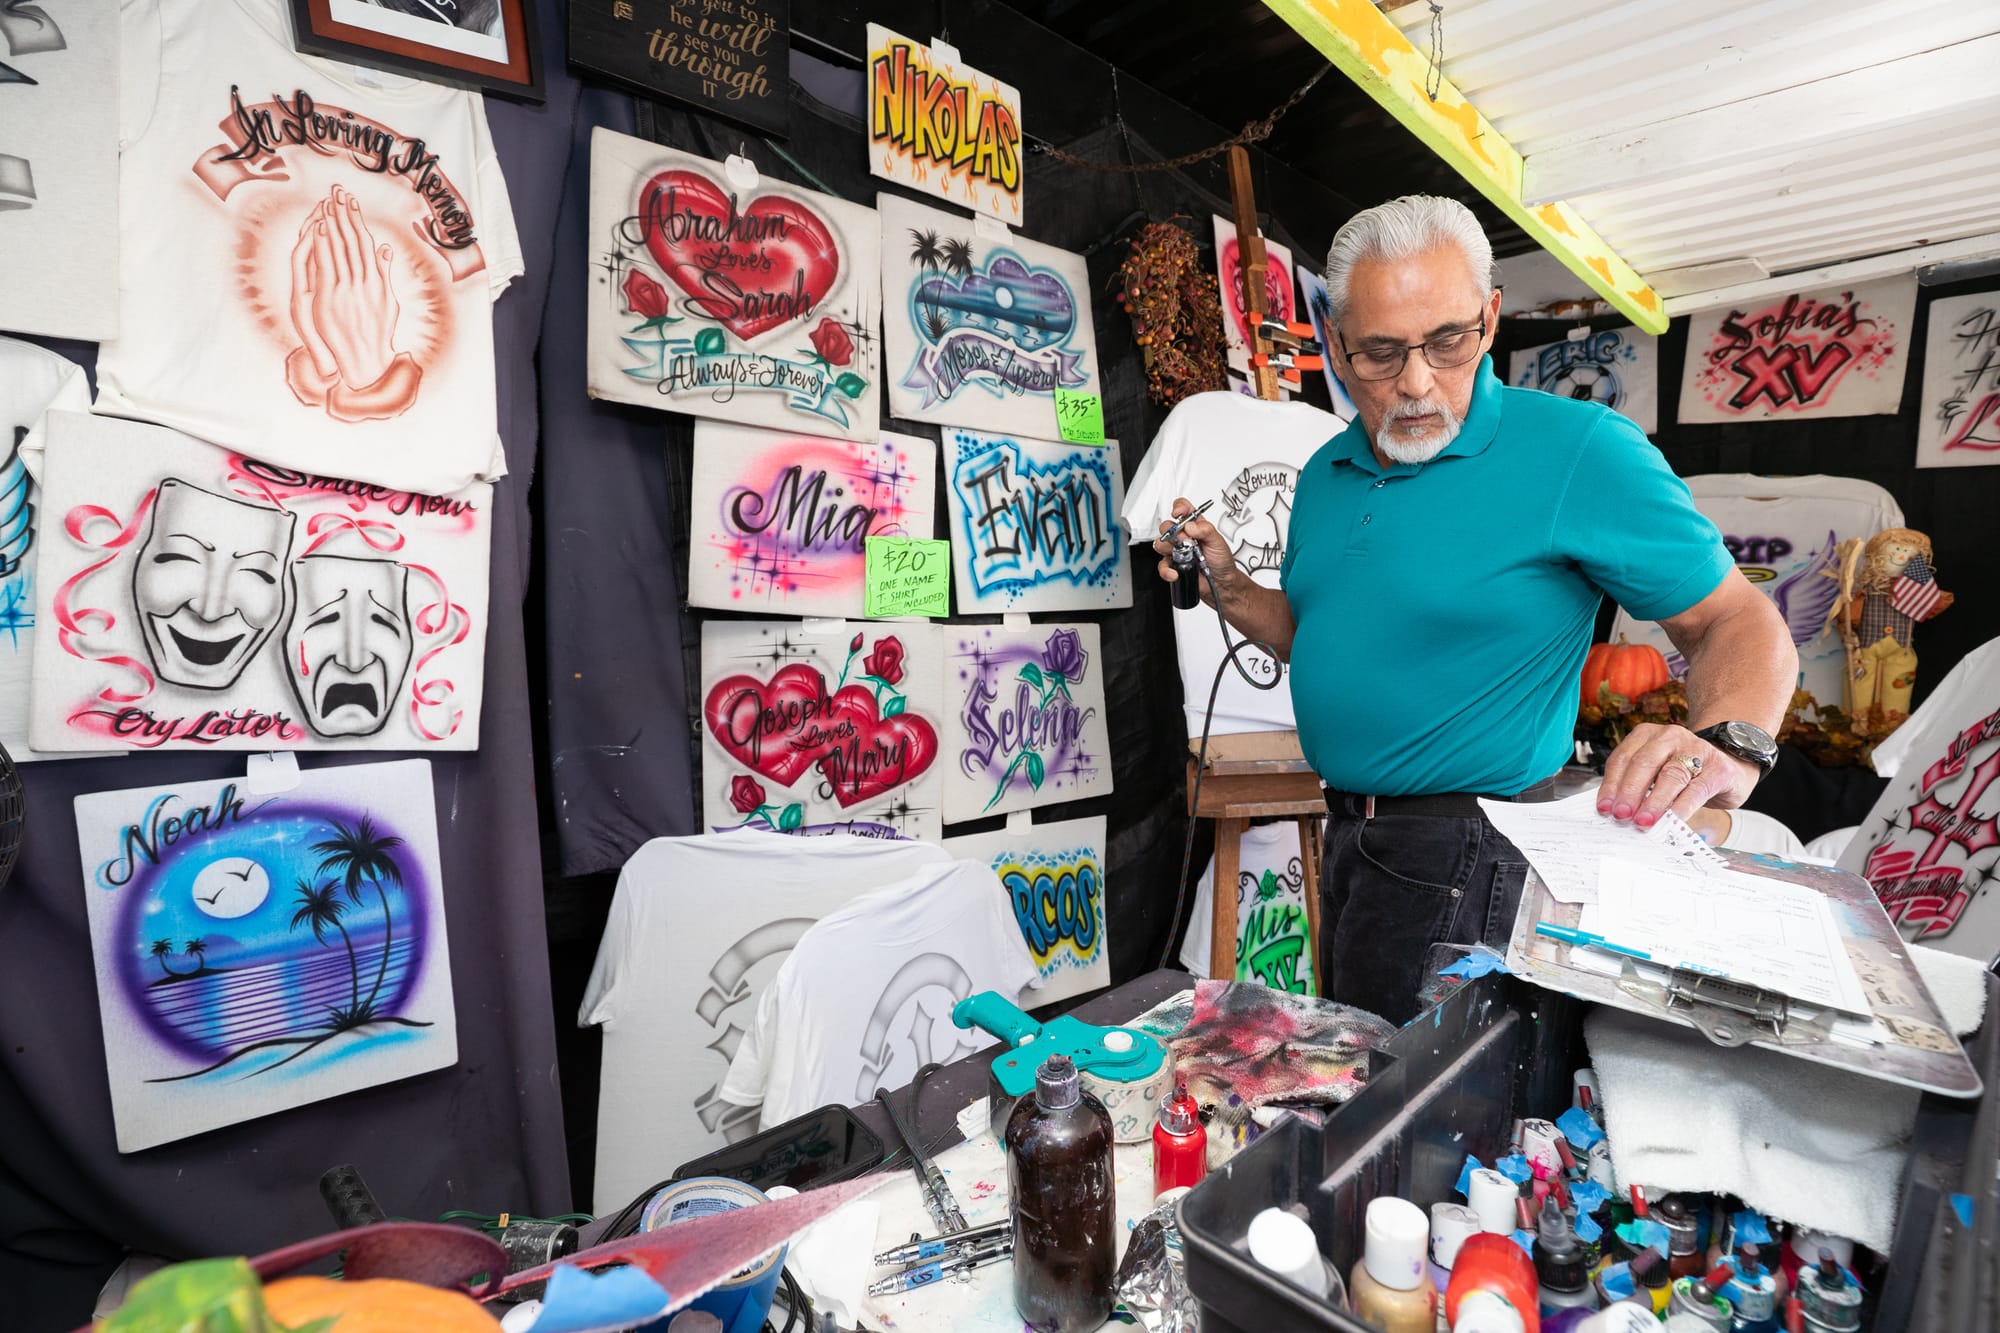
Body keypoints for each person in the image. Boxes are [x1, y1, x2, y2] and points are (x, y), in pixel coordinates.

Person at [1154, 195, 1797, 1023]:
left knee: (1411, 1125)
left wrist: (1727, 745)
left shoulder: (1579, 450)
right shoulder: (1323, 473)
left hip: (1471, 854)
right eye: (1381, 354)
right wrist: (1232, 586)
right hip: (1348, 836)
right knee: (1362, 1088)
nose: (1417, 382)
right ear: (1338, 348)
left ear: (1491, 318)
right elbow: (1322, 633)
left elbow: (1739, 622)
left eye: (1448, 342)